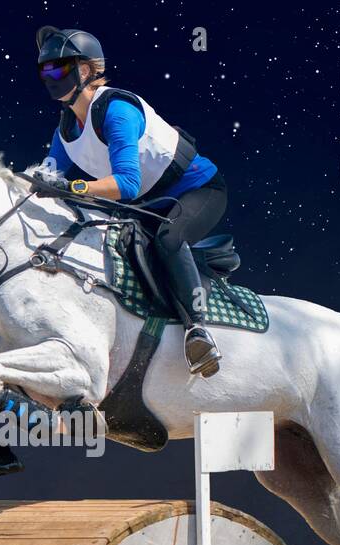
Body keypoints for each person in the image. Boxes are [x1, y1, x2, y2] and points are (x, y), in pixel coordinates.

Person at [32, 25, 226, 377]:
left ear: (87, 70)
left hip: (198, 191)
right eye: (44, 70)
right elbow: (48, 177)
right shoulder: (65, 129)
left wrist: (73, 188)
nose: (50, 76)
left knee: (170, 240)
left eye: (58, 68)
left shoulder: (116, 111)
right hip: (149, 204)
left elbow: (126, 184)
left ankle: (198, 331)